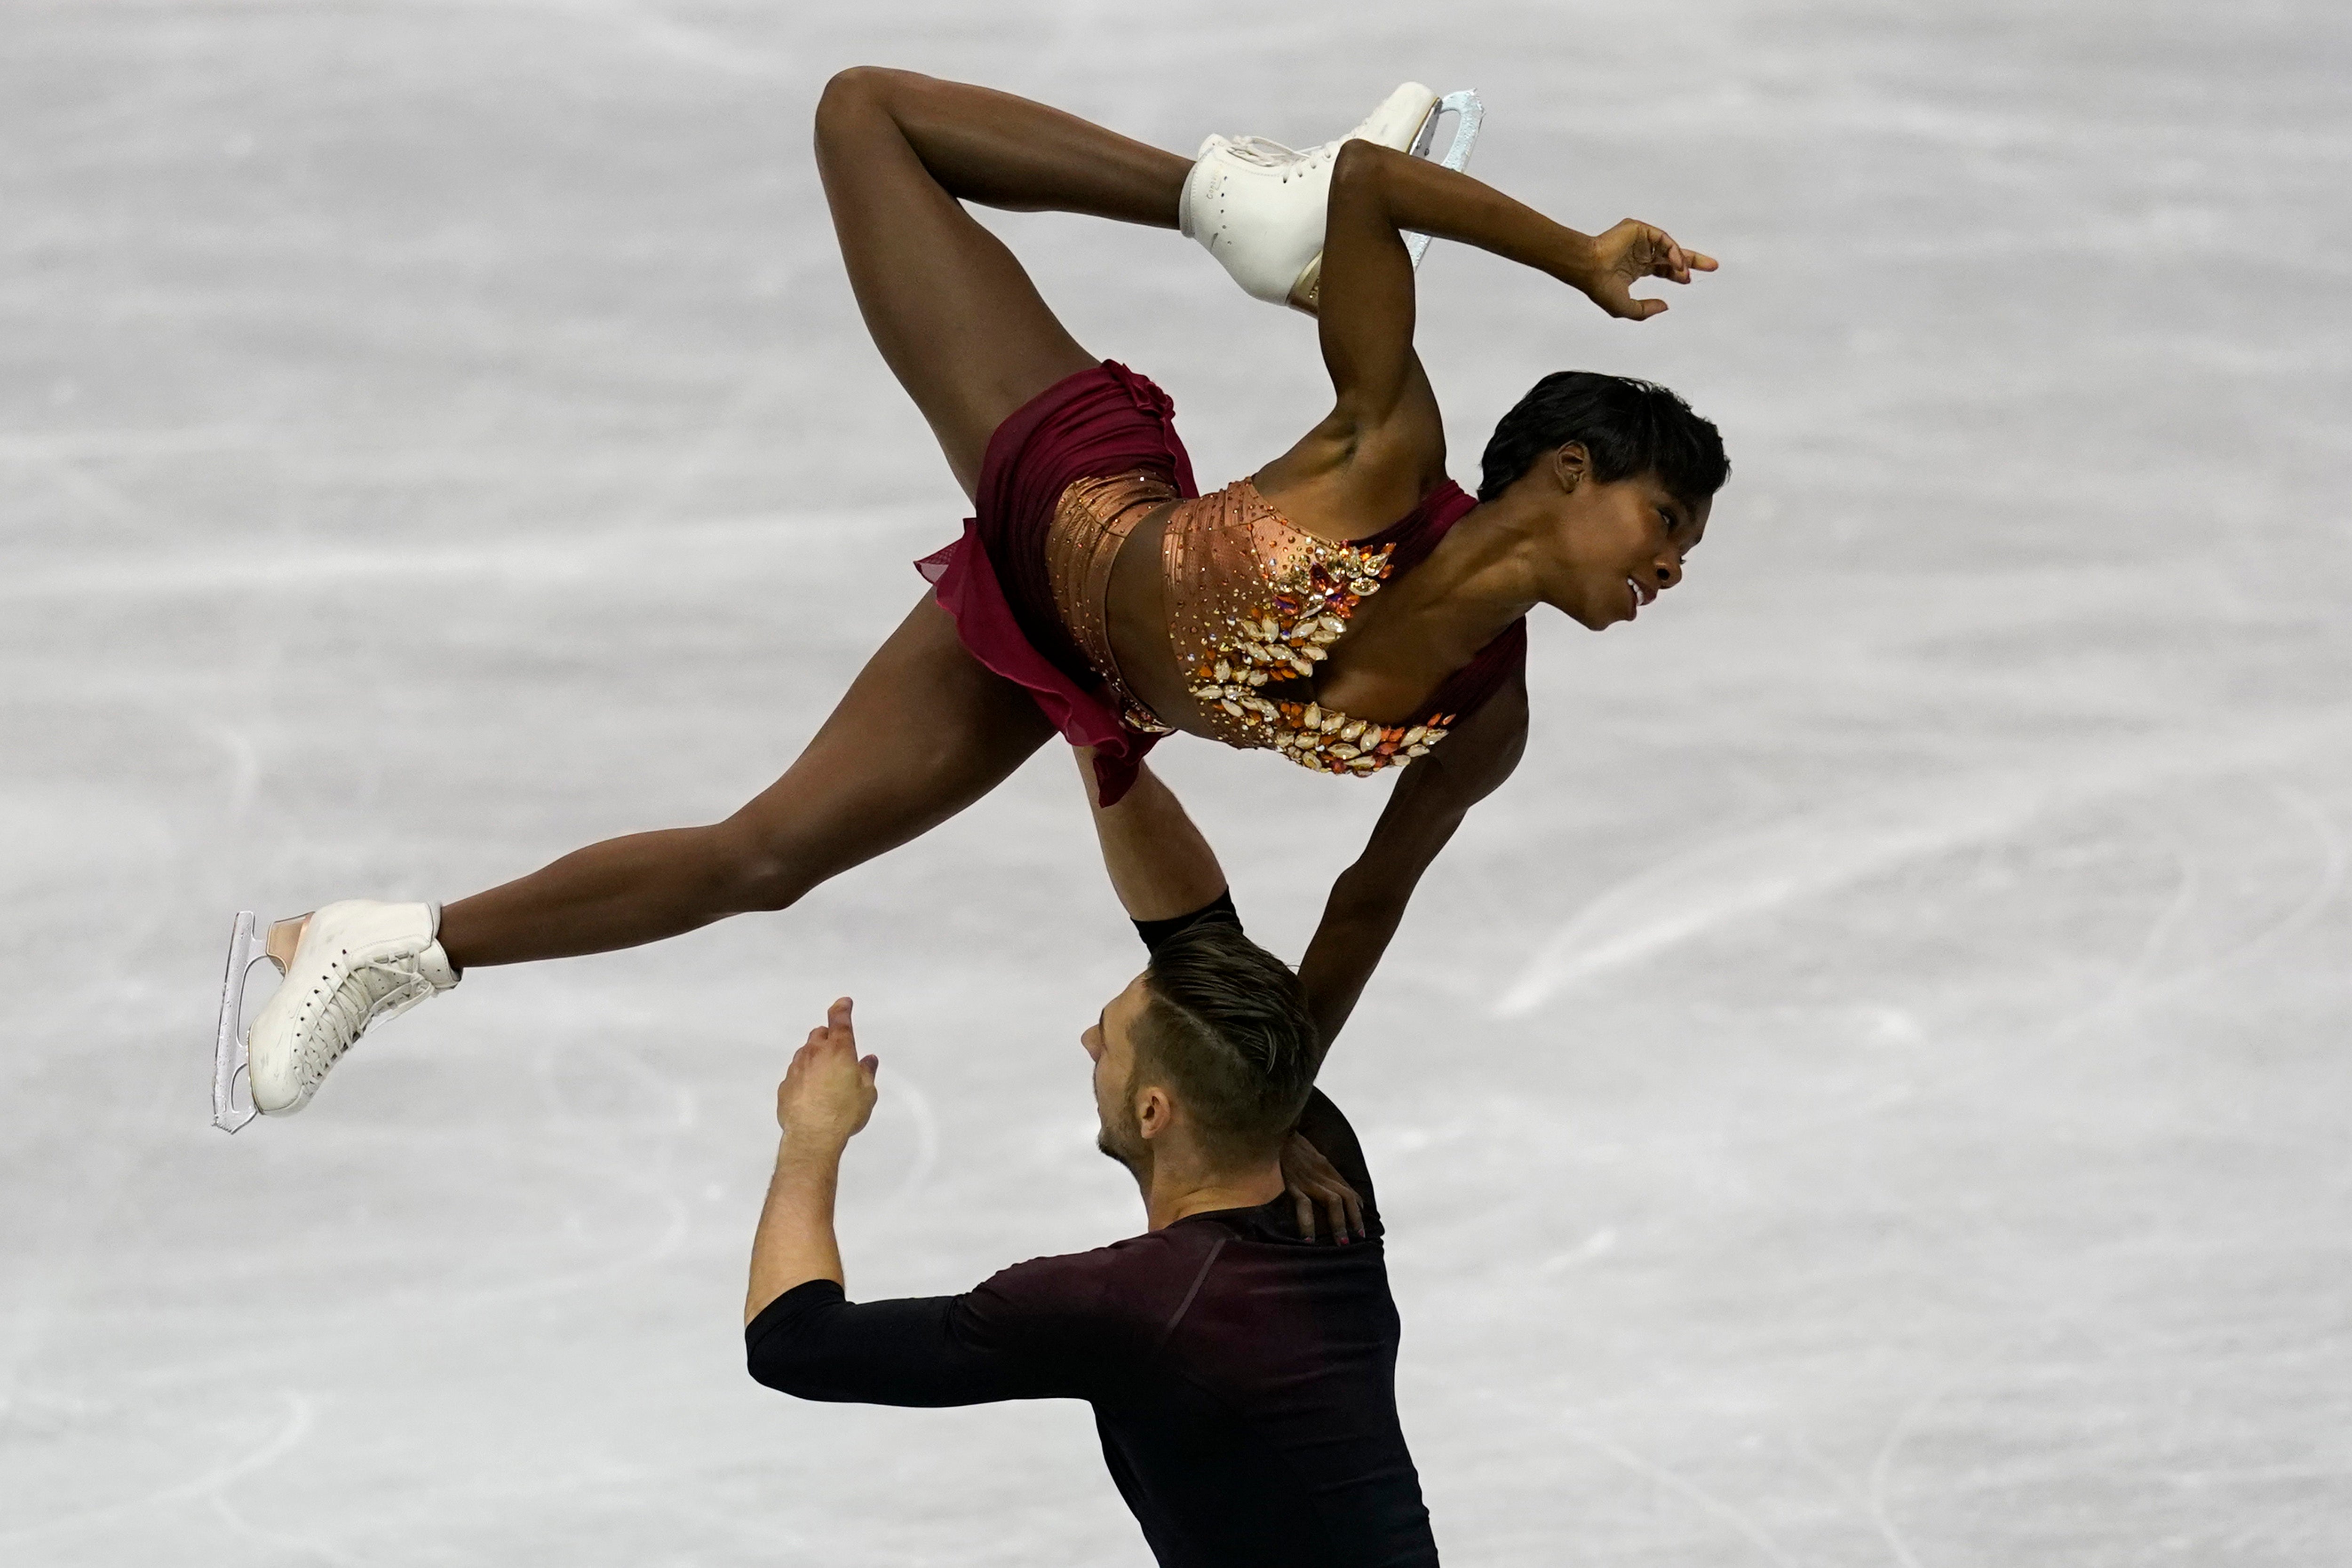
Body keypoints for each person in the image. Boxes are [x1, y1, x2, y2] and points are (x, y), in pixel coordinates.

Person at [229, 68, 1728, 1121]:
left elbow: (1363, 905)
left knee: (767, 857)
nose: (1666, 567)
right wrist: (1572, 252)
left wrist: (1279, 1108)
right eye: (1661, 521)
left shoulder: (1488, 719)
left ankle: (382, 941)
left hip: (1082, 675)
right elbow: (1376, 181)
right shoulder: (1387, 453)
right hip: (1068, 496)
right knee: (864, 118)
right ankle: (1222, 207)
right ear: (1566, 473)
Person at [742, 760, 1426, 1567]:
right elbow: (1196, 934)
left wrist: (811, 1137)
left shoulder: (1125, 1303)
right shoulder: (1325, 1186)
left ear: (1152, 1111)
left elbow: (793, 1340)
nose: (1089, 1043)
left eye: (1111, 1039)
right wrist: (1102, 741)